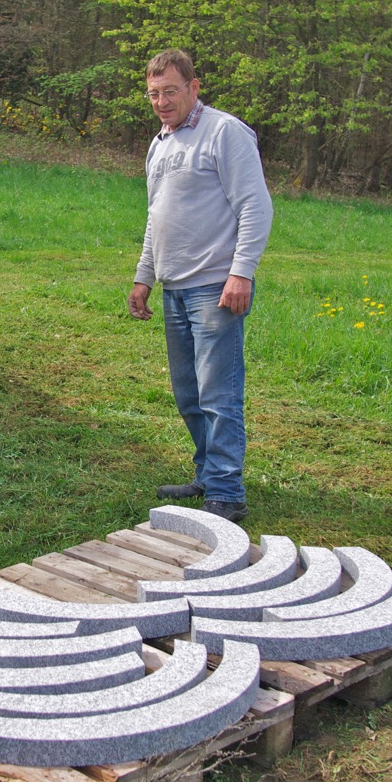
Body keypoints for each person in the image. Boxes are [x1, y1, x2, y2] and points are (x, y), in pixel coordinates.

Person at [128, 50, 273, 523]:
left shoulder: (225, 132)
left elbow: (255, 206)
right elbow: (156, 217)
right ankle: (208, 475)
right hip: (174, 288)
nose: (162, 101)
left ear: (194, 87)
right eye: (154, 93)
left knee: (218, 393)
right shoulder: (160, 144)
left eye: (170, 90)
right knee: (189, 394)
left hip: (216, 286)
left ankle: (227, 493)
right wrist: (144, 276)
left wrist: (241, 272)